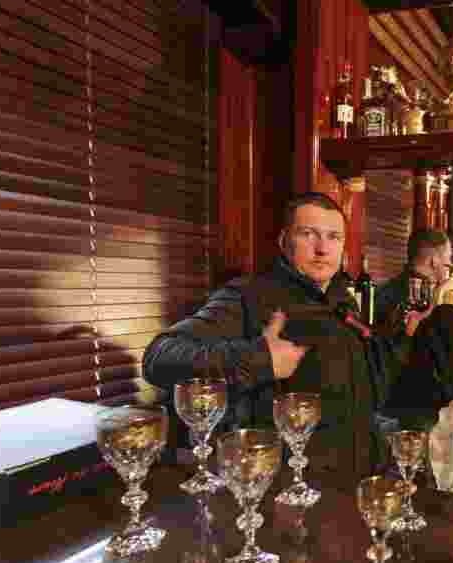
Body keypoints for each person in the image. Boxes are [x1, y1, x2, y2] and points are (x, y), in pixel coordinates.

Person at [142, 192, 423, 479]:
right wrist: (261, 358)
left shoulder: (343, 301)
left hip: (356, 485)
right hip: (284, 491)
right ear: (283, 241)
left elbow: (364, 394)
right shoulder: (247, 296)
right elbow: (159, 356)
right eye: (308, 234)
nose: (322, 248)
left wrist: (405, 338)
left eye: (334, 237)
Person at [374, 229, 453, 433]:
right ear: (434, 261)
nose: (449, 267)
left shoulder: (380, 294)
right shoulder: (434, 302)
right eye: (448, 260)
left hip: (382, 408)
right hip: (421, 413)